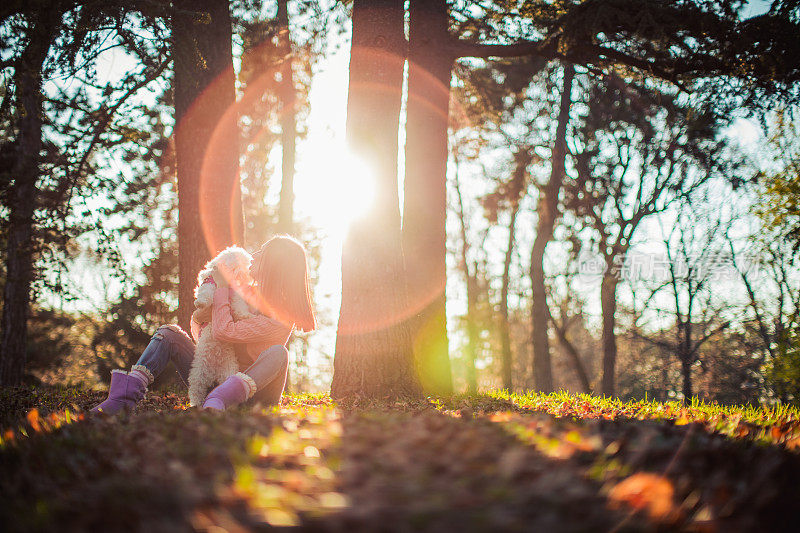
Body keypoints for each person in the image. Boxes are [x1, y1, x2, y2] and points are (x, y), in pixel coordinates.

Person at [91, 235, 316, 414]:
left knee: (279, 353)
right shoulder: (244, 291)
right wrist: (200, 316)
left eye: (262, 254)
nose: (254, 256)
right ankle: (123, 397)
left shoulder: (281, 318)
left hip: (250, 399)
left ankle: (221, 399)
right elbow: (206, 334)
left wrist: (220, 287)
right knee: (168, 333)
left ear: (274, 266)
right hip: (217, 381)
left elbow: (223, 331)